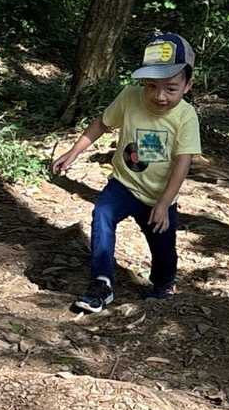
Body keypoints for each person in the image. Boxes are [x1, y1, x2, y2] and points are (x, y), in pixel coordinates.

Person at [53, 32, 202, 315]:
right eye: (151, 86)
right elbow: (102, 124)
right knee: (102, 214)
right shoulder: (130, 97)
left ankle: (163, 285)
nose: (159, 96)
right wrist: (73, 152)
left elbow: (183, 162)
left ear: (187, 85)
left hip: (159, 196)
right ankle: (101, 282)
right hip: (124, 184)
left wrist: (163, 203)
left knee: (163, 250)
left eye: (171, 88)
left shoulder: (185, 116)